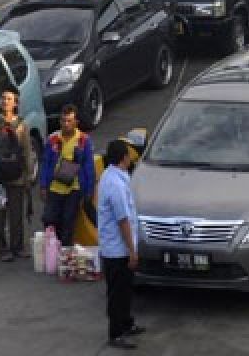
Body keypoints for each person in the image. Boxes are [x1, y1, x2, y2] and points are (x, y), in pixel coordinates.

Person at [98, 139, 144, 350]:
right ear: (123, 158)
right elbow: (123, 220)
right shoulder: (114, 184)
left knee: (125, 290)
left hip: (117, 246)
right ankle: (116, 333)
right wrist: (132, 251)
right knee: (117, 293)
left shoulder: (113, 176)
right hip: (118, 250)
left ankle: (126, 322)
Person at [0, 86, 35, 261]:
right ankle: (2, 249)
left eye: (9, 99)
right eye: (3, 98)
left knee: (16, 217)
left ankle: (18, 247)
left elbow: (27, 151)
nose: (5, 101)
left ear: (16, 103)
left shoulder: (22, 125)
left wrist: (29, 176)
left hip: (17, 177)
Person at [40, 105, 96, 247]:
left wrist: (89, 191)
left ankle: (65, 254)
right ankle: (53, 248)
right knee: (49, 219)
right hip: (55, 188)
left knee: (68, 222)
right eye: (63, 121)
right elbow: (45, 164)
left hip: (74, 188)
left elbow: (89, 166)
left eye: (69, 121)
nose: (66, 124)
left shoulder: (84, 140)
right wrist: (43, 186)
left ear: (76, 122)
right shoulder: (52, 139)